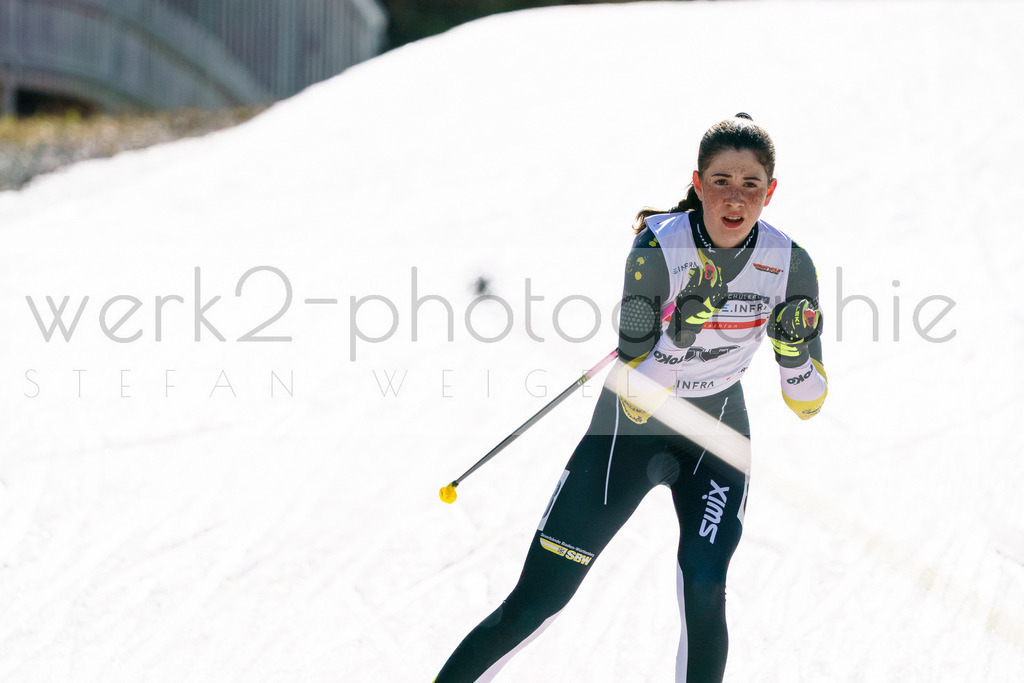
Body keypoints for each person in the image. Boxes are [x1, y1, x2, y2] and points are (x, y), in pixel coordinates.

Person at [434, 114, 828, 682]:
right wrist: (681, 334)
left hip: (716, 433)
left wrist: (792, 354)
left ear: (770, 192)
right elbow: (638, 394)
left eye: (750, 184)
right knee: (537, 602)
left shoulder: (790, 262)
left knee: (705, 585)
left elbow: (807, 403)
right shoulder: (658, 247)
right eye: (721, 181)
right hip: (628, 432)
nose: (735, 198)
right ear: (698, 184)